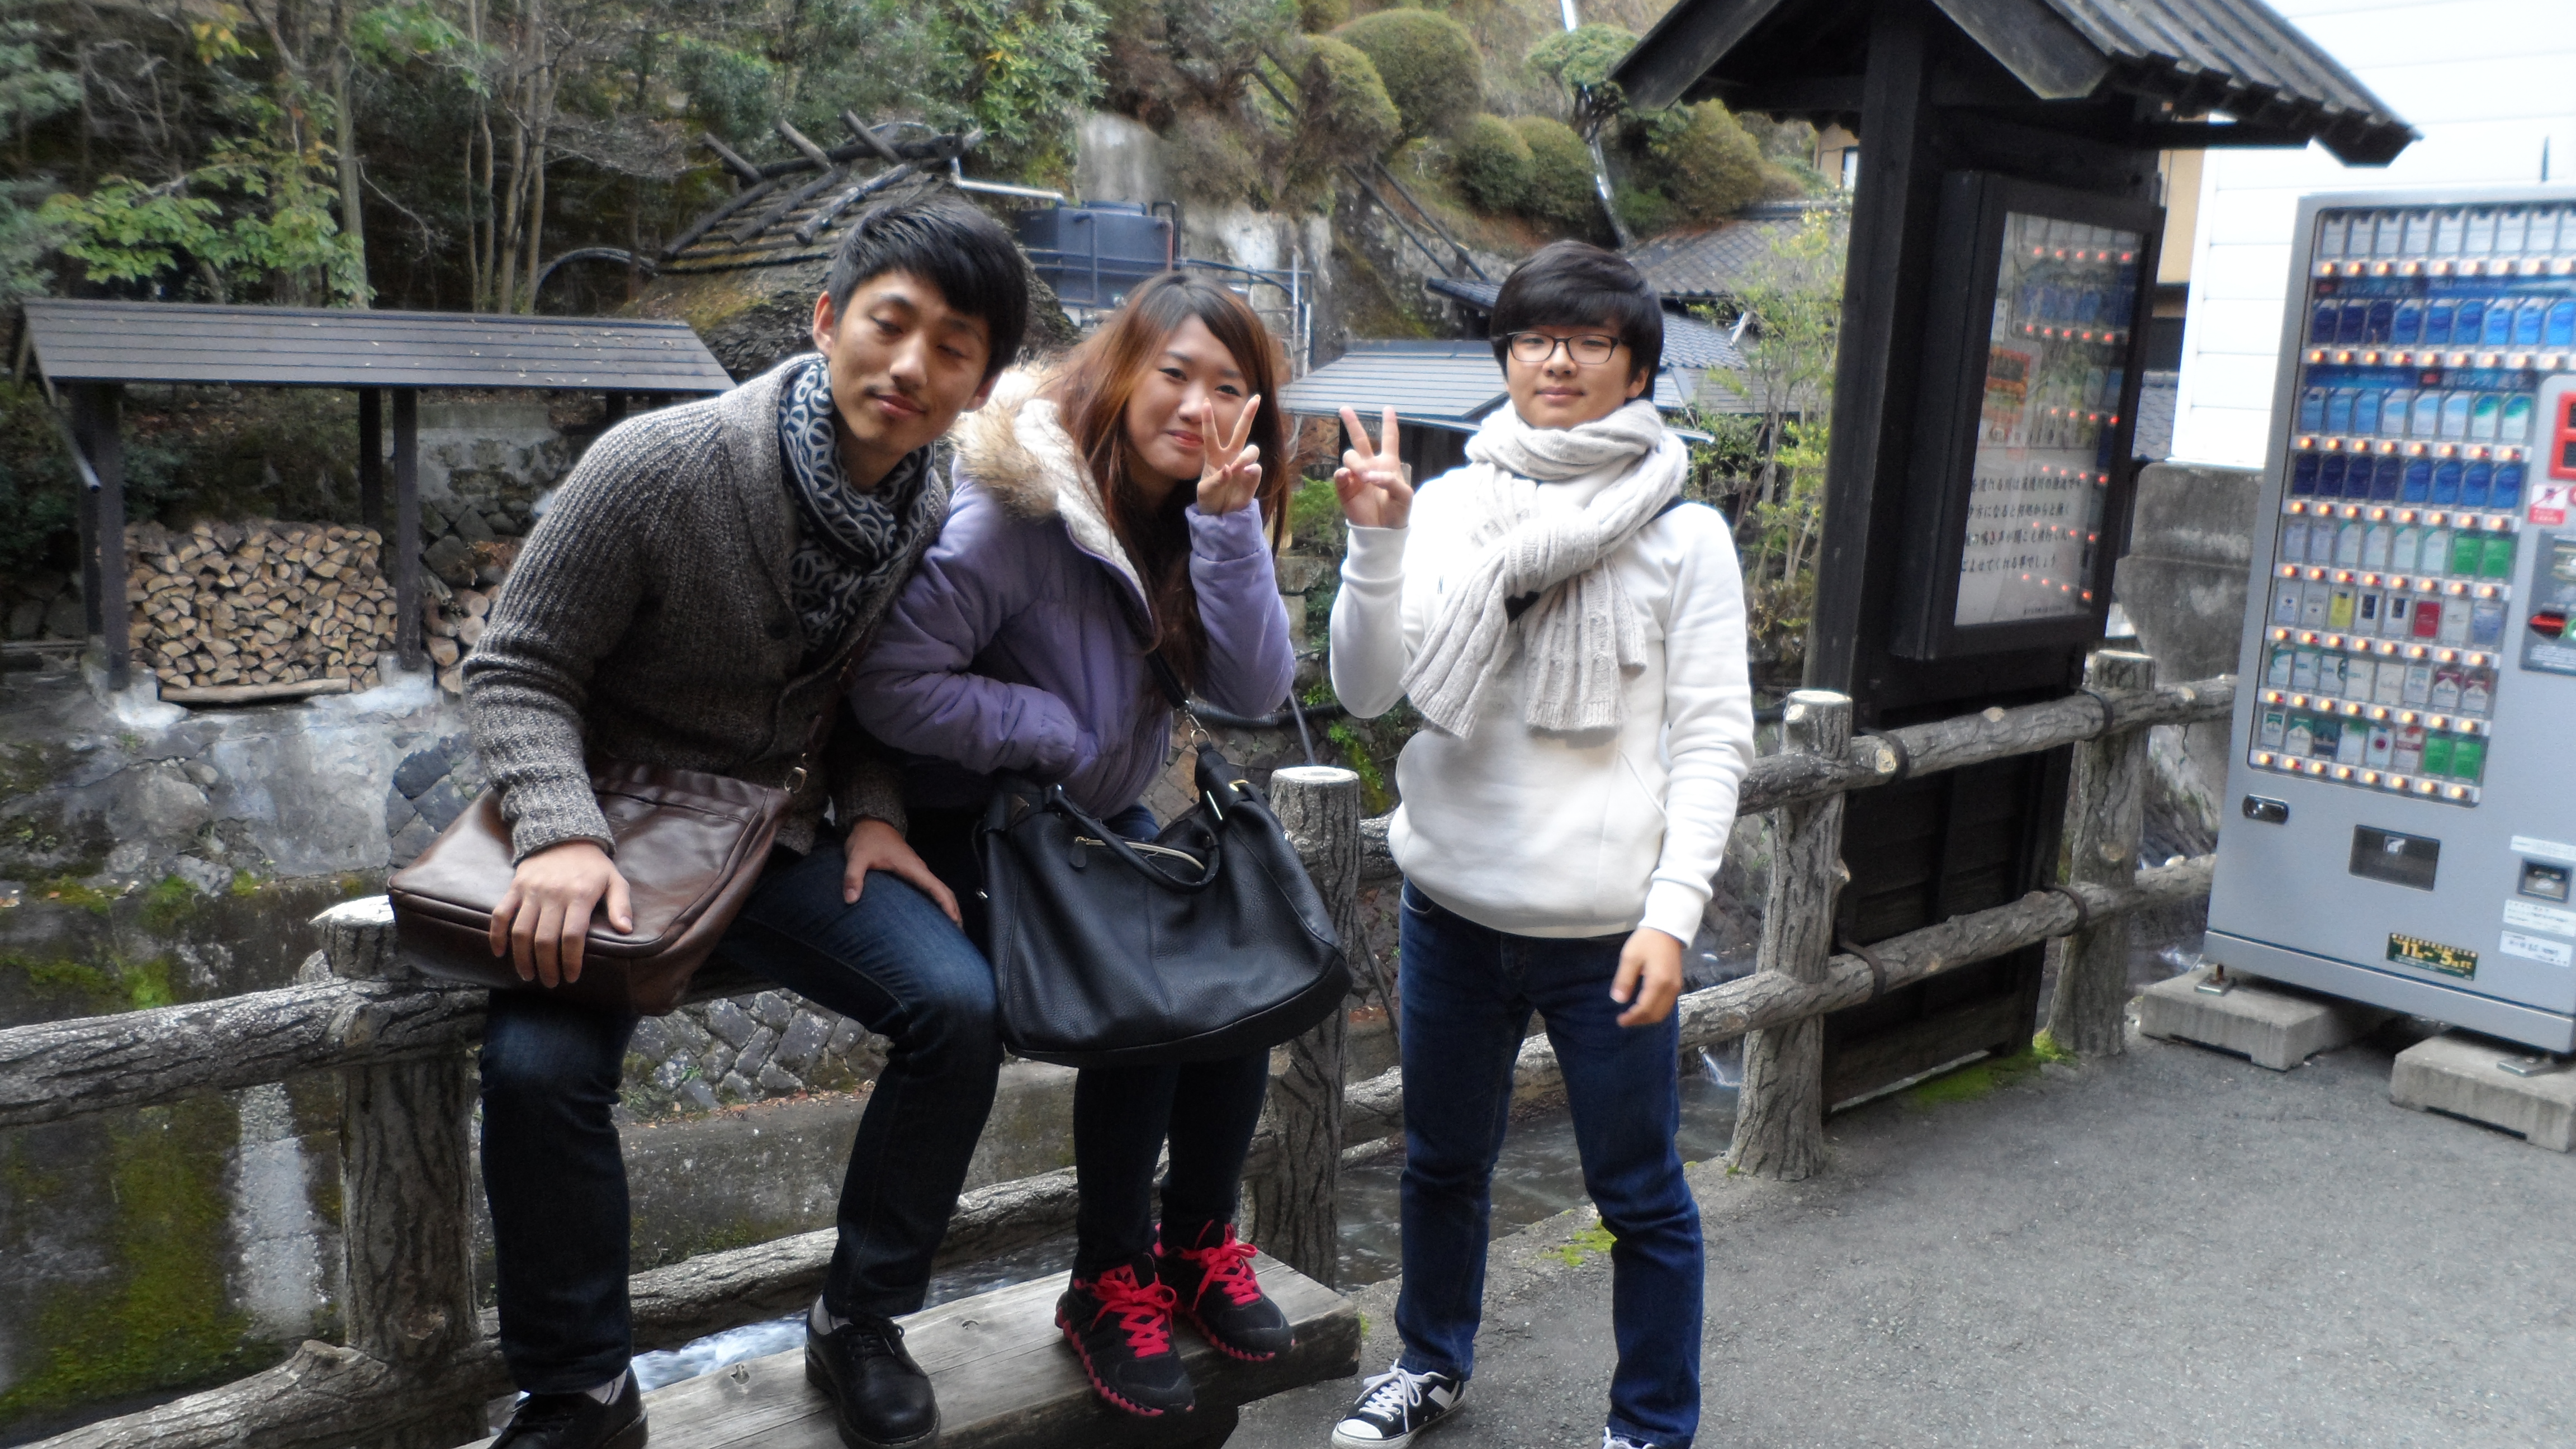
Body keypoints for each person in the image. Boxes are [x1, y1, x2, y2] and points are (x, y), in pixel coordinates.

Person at [462, 189, 1029, 1449]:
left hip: (774, 835)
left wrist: (873, 812)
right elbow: (516, 666)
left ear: (982, 384)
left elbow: (865, 693)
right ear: (827, 320)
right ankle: (583, 1392)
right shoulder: (660, 463)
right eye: (891, 324)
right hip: (610, 833)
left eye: (953, 348)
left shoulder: (932, 503)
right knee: (537, 1070)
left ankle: (859, 1320)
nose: (911, 366)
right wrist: (560, 831)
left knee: (958, 1009)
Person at [1322, 241, 1754, 1449]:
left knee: (1640, 1194)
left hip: (1608, 930)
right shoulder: (1451, 504)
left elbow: (1713, 740)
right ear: (1505, 356)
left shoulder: (1685, 537)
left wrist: (1673, 915)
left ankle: (1650, 1424)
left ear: (1638, 368)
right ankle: (1430, 1362)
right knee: (1440, 1164)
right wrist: (1375, 545)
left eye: (1589, 340)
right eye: (1532, 338)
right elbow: (1366, 694)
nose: (1556, 360)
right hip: (1451, 908)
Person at [849, 271, 1301, 1422]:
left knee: (1236, 971)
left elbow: (1256, 688)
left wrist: (1229, 526)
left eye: (1230, 387)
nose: (1198, 405)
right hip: (980, 827)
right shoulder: (1016, 511)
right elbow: (891, 683)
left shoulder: (1190, 510)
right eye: (1175, 374)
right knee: (1151, 979)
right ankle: (1108, 1275)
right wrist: (1051, 733)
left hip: (1090, 819)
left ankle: (1195, 1242)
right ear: (1119, 371)